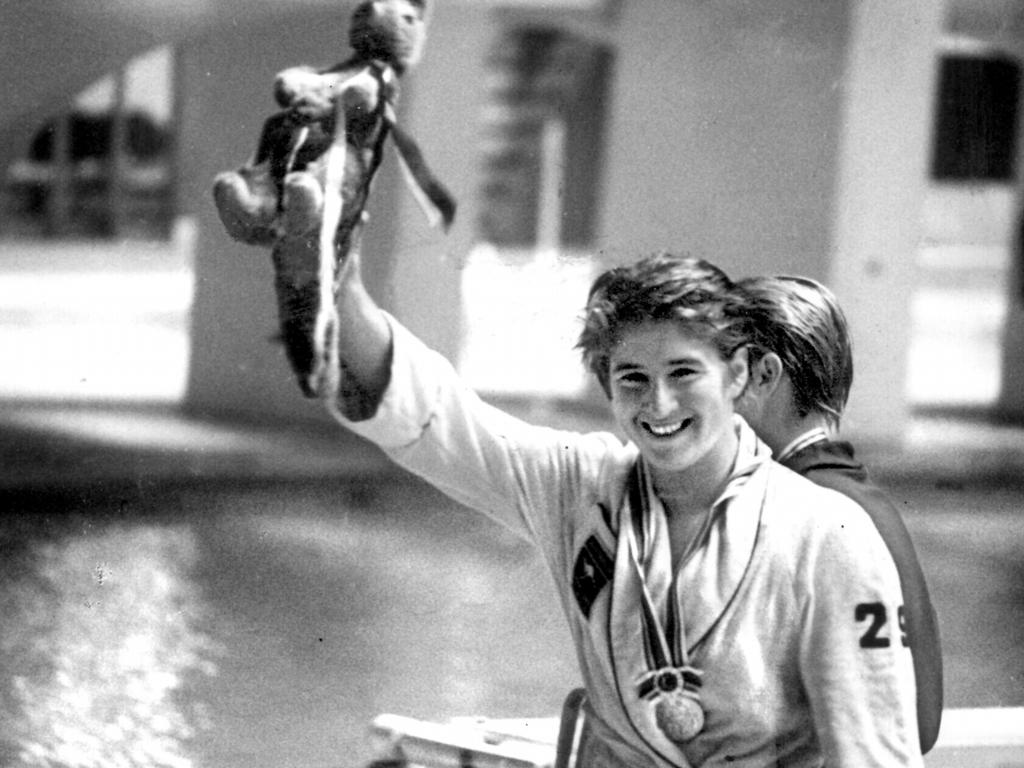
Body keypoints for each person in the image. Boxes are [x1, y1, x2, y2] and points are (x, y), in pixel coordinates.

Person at [324, 227, 923, 766]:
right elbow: (439, 421)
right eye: (632, 378)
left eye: (684, 373)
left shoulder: (828, 534)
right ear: (606, 384)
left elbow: (874, 756)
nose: (658, 405)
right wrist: (337, 283)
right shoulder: (581, 486)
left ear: (738, 374)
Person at [733, 275, 943, 754]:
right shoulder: (866, 502)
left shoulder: (796, 508)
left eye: (715, 374)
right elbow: (919, 723)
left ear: (764, 375)